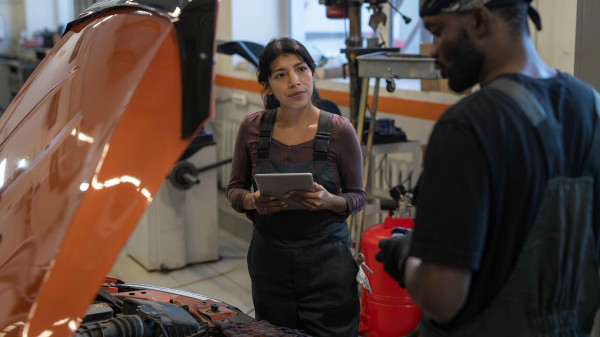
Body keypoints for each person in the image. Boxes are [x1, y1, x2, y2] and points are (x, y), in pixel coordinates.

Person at [376, 0, 600, 336]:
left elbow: (441, 297)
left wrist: (407, 257)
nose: (433, 51)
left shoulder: (467, 126)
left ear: (480, 20)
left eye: (438, 32)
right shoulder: (592, 106)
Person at [226, 37, 365, 337]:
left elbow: (357, 197)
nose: (295, 81)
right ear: (266, 85)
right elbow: (234, 190)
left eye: (301, 69)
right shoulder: (252, 128)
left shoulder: (340, 130)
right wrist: (253, 201)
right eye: (281, 75)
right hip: (270, 266)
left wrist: (330, 201)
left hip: (327, 266)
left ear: (312, 73)